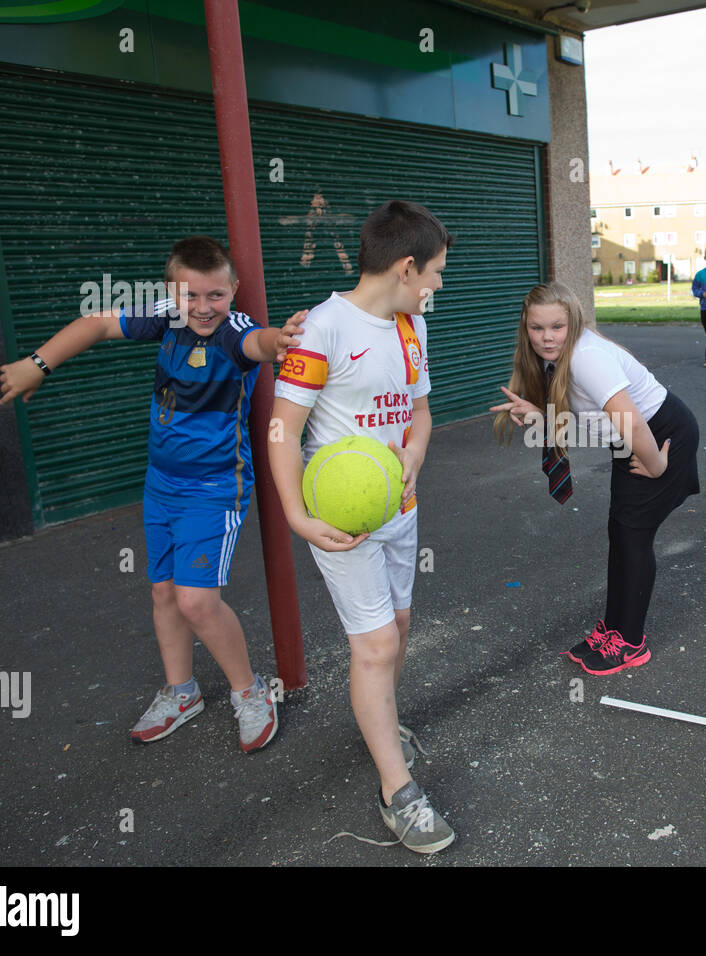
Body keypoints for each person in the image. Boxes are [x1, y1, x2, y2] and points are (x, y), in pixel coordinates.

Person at [0, 236, 282, 753]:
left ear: (234, 290)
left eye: (215, 296)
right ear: (172, 294)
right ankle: (182, 693)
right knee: (163, 591)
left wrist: (279, 341)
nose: (202, 308)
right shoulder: (167, 317)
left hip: (215, 487)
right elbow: (99, 323)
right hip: (162, 484)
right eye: (189, 297)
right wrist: (37, 365)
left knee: (197, 600)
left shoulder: (234, 332)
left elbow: (257, 345)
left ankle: (250, 690)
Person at [268, 199, 455, 854]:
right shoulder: (323, 329)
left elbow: (422, 414)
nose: (436, 286)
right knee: (375, 647)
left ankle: (381, 721)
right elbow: (282, 430)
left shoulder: (412, 328)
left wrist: (414, 454)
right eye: (433, 273)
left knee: (398, 631)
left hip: (399, 510)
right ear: (406, 267)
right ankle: (396, 791)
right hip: (340, 525)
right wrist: (298, 517)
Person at [491, 281, 700, 677]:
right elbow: (595, 423)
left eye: (557, 326)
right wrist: (542, 416)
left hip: (657, 438)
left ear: (573, 322)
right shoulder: (556, 357)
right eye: (537, 328)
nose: (547, 337)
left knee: (634, 536)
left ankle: (631, 643)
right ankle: (613, 629)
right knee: (620, 534)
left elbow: (631, 420)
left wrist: (656, 465)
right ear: (526, 327)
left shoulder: (586, 357)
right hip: (632, 440)